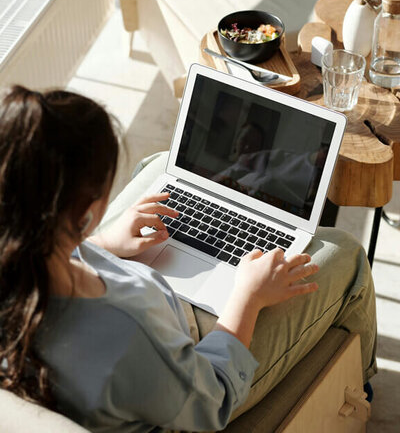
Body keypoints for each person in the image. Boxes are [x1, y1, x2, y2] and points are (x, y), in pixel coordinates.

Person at [0, 85, 377, 432]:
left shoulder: (19, 261)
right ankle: (359, 394)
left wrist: (97, 245)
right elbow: (212, 398)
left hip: (129, 360)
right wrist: (249, 297)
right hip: (190, 385)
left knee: (160, 163)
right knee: (346, 254)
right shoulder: (126, 331)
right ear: (84, 210)